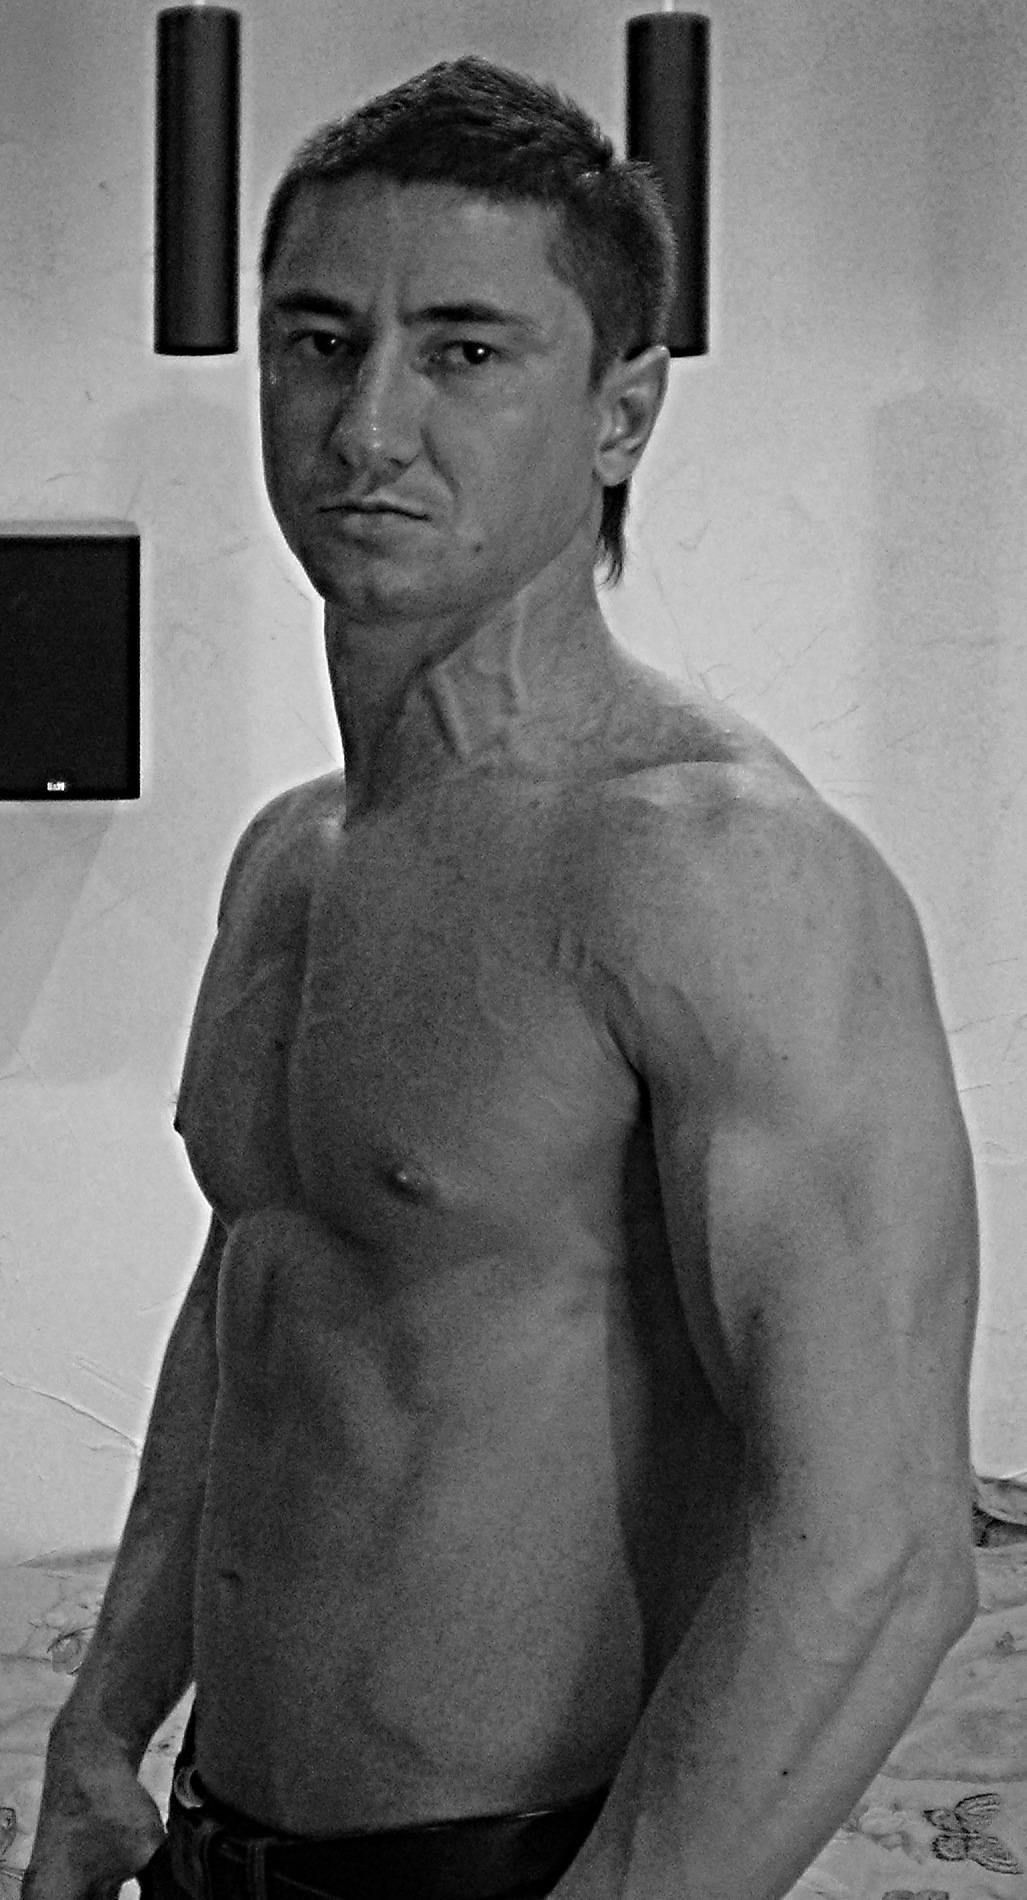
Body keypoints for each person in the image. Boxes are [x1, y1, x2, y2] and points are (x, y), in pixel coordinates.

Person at [24, 53, 980, 1900]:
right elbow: (259, 1314)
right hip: (219, 1845)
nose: (368, 426)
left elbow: (877, 1553)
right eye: (318, 342)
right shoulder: (293, 859)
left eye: (465, 351)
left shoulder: (718, 871)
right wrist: (99, 1727)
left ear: (622, 411)